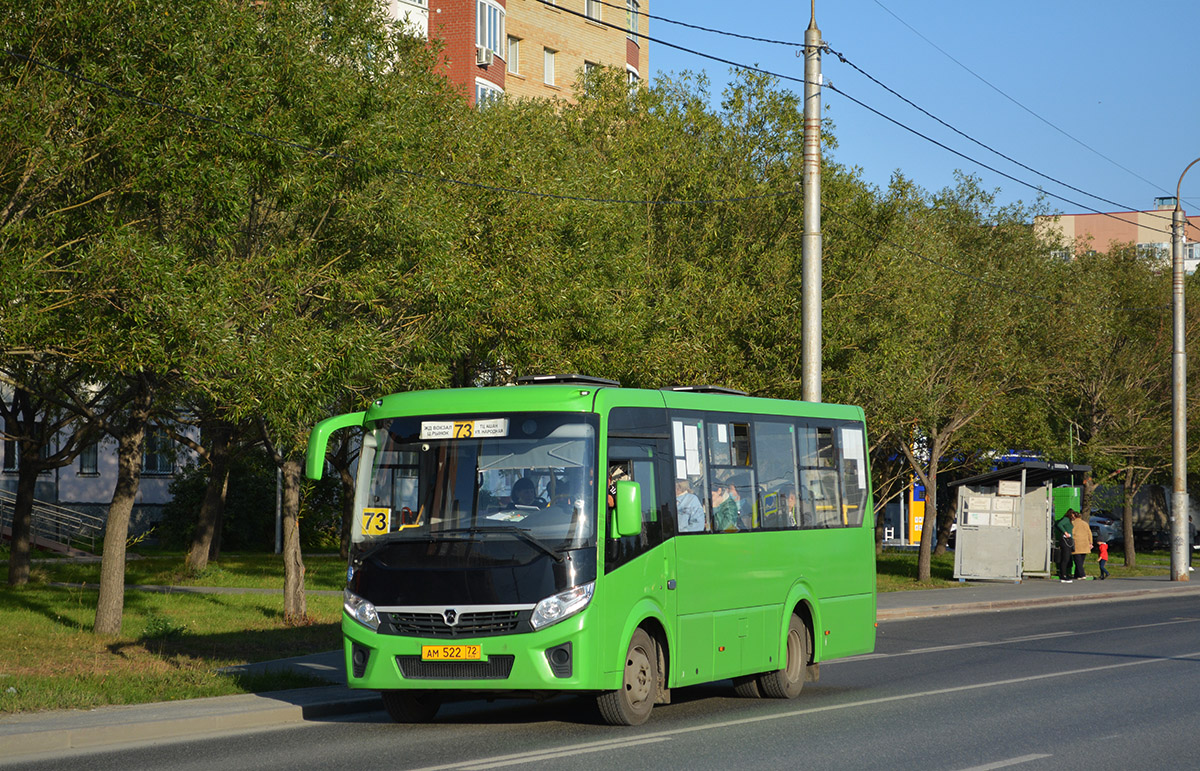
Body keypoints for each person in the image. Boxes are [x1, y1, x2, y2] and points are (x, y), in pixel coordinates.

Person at [1070, 509, 1094, 580]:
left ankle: (1082, 574)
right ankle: (1077, 575)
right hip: (1085, 544)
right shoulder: (1085, 523)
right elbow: (1089, 533)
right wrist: (1090, 542)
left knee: (1077, 561)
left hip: (1076, 543)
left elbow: (1071, 532)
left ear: (1074, 517)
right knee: (1081, 560)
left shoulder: (1072, 523)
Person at [1055, 510, 1075, 582]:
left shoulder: (1069, 521)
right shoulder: (1066, 519)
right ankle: (1063, 575)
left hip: (1069, 540)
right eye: (1073, 514)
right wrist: (1065, 532)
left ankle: (1065, 574)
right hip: (1065, 540)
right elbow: (1059, 524)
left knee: (1067, 558)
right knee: (1065, 558)